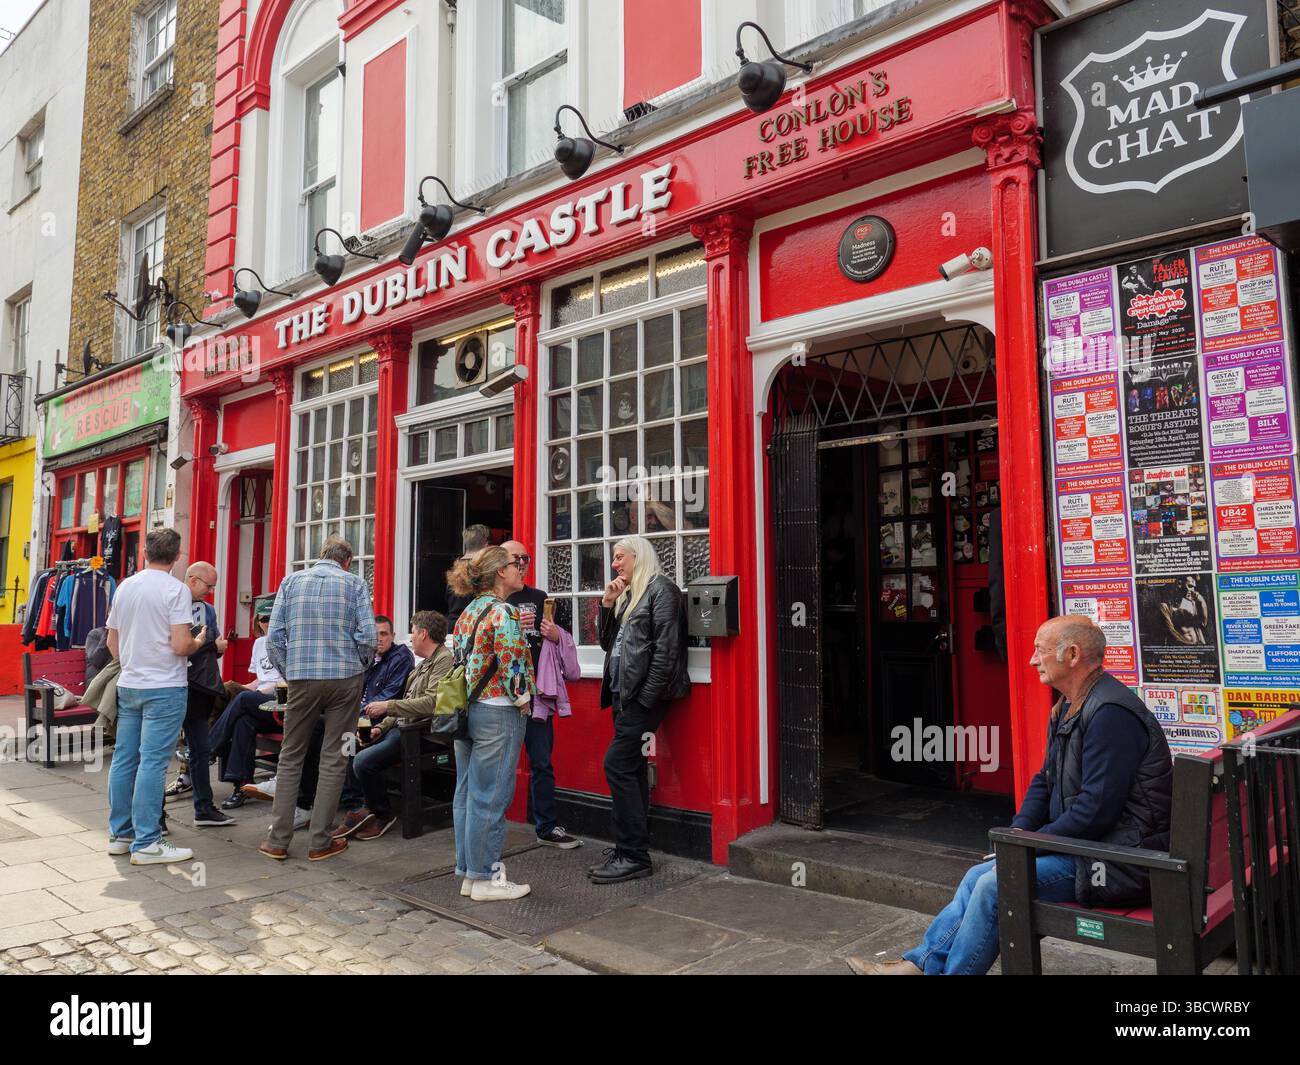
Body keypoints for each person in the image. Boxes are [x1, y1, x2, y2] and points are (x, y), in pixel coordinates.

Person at [848, 616, 1173, 976]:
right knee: (978, 875)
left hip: (1118, 861)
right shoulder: (1069, 705)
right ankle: (920, 964)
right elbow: (1045, 780)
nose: (1032, 660)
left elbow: (1096, 811)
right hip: (1092, 849)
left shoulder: (1111, 714)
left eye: (1040, 651)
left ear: (1073, 654)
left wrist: (1030, 845)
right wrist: (1018, 833)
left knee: (994, 884)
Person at [259, 536, 376, 862]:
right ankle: (320, 842)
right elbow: (368, 637)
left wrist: (290, 670)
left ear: (320, 556)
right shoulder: (354, 585)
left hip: (302, 679)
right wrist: (359, 667)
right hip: (344, 680)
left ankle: (278, 841)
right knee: (336, 757)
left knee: (291, 754)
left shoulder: (291, 581)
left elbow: (275, 638)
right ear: (347, 560)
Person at [239, 614, 410, 824]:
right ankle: (301, 801)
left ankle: (353, 806)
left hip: (376, 723)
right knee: (310, 727)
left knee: (346, 742)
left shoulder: (399, 657)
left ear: (393, 636)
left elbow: (382, 701)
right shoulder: (368, 658)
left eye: (384, 634)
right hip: (354, 717)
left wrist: (347, 714)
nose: (379, 639)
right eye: (374, 635)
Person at [590, 534, 690, 885]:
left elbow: (667, 654)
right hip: (622, 695)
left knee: (616, 764)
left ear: (638, 556)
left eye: (620, 557)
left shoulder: (662, 591)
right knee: (630, 768)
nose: (614, 564)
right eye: (614, 558)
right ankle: (628, 851)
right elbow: (607, 644)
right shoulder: (630, 594)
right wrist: (607, 603)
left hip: (641, 699)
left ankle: (633, 854)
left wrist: (645, 701)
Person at [105, 528, 207, 865]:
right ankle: (148, 841)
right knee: (152, 762)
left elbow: (112, 645)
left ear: (144, 552)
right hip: (164, 686)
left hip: (130, 684)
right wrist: (199, 641)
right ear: (178, 556)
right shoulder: (176, 590)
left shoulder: (125, 586)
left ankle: (121, 835)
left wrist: (136, 660)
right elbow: (180, 645)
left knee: (124, 759)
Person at [447, 544, 537, 901]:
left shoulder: (469, 612)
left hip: (467, 710)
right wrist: (524, 699)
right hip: (498, 711)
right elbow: (513, 662)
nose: (521, 570)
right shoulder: (504, 612)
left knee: (467, 794)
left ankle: (470, 874)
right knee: (492, 797)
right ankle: (485, 878)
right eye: (516, 564)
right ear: (501, 572)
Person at [334, 611, 454, 841]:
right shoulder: (423, 664)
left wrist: (387, 708)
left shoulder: (443, 660)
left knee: (363, 760)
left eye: (414, 632)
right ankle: (358, 806)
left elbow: (431, 703)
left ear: (423, 633)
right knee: (347, 744)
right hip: (401, 728)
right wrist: (382, 728)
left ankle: (382, 813)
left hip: (421, 735)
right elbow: (406, 702)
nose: (411, 638)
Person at [503, 539, 582, 849]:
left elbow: (558, 635)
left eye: (526, 558)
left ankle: (546, 827)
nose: (522, 563)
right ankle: (488, 826)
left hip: (536, 693)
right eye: (516, 558)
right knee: (499, 763)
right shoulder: (493, 600)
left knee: (542, 762)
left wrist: (555, 634)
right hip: (504, 695)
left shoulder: (539, 597)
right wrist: (512, 626)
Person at [211, 604, 285, 810]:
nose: (268, 623)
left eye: (272, 618)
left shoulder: (286, 642)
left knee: (243, 700)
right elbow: (258, 681)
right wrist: (241, 688)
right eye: (263, 619)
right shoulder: (259, 644)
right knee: (243, 720)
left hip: (281, 706)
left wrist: (249, 694)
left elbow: (284, 682)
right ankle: (242, 786)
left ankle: (210, 748)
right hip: (260, 704)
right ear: (257, 622)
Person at [180, 562, 232, 828]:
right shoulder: (173, 603)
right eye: (208, 585)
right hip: (175, 685)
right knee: (157, 752)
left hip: (201, 687)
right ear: (192, 579)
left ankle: (204, 808)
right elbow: (179, 647)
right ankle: (155, 814)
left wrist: (217, 647)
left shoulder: (208, 610)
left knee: (200, 749)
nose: (211, 591)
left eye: (213, 586)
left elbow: (214, 644)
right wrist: (212, 644)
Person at [445, 524, 490, 633]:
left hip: (451, 627)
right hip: (473, 627)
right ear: (486, 544)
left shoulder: (453, 570)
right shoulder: (485, 571)